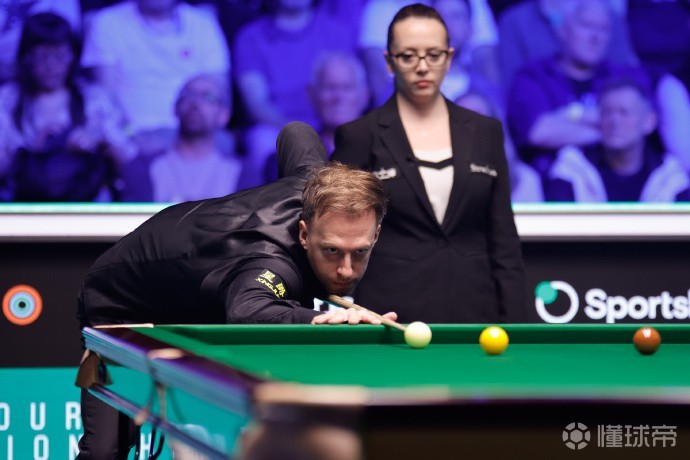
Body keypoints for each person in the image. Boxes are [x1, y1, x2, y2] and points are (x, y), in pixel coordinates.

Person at [76, 121, 396, 458]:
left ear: (376, 234)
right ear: (304, 234)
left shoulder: (315, 182)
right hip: (122, 301)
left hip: (200, 291)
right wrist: (316, 319)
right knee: (105, 451)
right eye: (331, 250)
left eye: (359, 251)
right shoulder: (270, 263)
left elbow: (296, 132)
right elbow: (248, 310)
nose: (346, 269)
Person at [331, 4, 526, 324]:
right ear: (389, 62)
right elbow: (335, 236)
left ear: (449, 59)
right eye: (408, 56)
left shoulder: (486, 132)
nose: (422, 67)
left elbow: (503, 240)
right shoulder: (360, 136)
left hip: (476, 316)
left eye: (433, 55)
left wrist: (517, 326)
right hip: (388, 317)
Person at [0, 12, 131, 202]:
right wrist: (32, 151)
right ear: (27, 57)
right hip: (22, 207)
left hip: (89, 206)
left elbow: (129, 163)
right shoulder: (7, 99)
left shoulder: (96, 99)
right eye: (42, 56)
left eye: (60, 56)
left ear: (73, 56)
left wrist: (95, 145)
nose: (51, 65)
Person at [81, 0, 230, 134]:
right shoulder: (108, 22)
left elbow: (219, 95)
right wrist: (129, 135)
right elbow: (107, 99)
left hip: (192, 135)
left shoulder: (203, 24)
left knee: (222, 142)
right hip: (133, 135)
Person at [545, 78, 690, 202]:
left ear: (649, 122)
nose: (614, 121)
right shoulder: (572, 168)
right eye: (607, 113)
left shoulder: (671, 176)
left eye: (624, 112)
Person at [119, 73, 243, 202]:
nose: (195, 103)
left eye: (208, 97)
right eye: (188, 95)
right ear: (175, 108)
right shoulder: (142, 167)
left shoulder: (242, 173)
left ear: (224, 115)